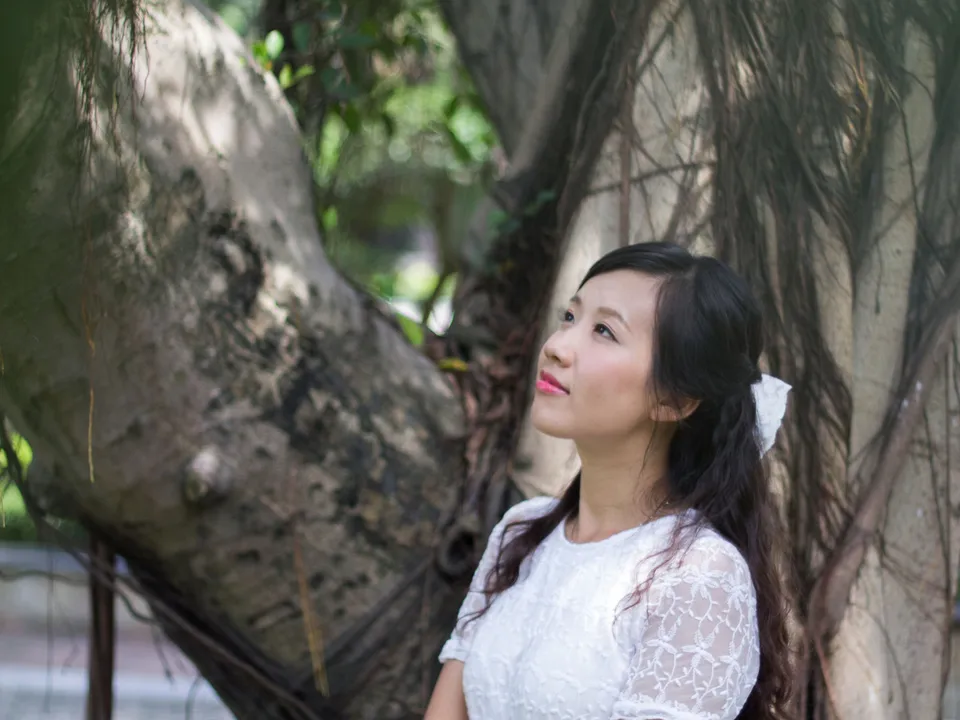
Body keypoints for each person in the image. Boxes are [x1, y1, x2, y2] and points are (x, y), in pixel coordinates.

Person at [424, 241, 795, 720]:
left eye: (604, 331)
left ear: (675, 400)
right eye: (569, 317)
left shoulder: (697, 575)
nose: (556, 347)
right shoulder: (521, 533)